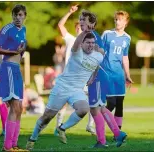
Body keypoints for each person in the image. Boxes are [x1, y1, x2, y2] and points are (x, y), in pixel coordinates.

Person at [26, 12, 104, 151]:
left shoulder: (98, 56)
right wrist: (84, 31)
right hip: (62, 87)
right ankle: (33, 138)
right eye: (88, 43)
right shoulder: (76, 51)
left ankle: (62, 128)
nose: (91, 45)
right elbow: (76, 43)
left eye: (93, 43)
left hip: (76, 90)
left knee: (84, 108)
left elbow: (97, 65)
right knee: (47, 117)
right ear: (82, 43)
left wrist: (93, 77)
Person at [88, 10, 132, 148]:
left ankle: (116, 135)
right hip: (106, 73)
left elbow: (125, 57)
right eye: (115, 19)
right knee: (110, 103)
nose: (117, 22)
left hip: (119, 75)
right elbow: (99, 50)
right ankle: (107, 131)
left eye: (119, 20)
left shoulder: (127, 38)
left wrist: (127, 74)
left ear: (125, 22)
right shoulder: (107, 34)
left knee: (119, 104)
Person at [54, 4, 95, 136]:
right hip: (70, 77)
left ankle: (90, 125)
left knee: (93, 100)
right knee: (64, 102)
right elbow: (60, 25)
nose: (80, 29)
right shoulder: (70, 39)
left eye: (82, 27)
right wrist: (69, 12)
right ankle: (58, 126)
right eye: (78, 27)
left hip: (83, 77)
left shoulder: (89, 42)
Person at [0, 4, 29, 152]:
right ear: (12, 16)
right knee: (14, 107)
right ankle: (7, 146)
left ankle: (14, 145)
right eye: (15, 15)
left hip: (17, 70)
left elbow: (21, 49)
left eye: (20, 15)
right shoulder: (7, 29)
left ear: (25, 16)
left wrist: (21, 51)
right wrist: (12, 51)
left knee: (19, 108)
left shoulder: (24, 30)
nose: (18, 18)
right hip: (7, 69)